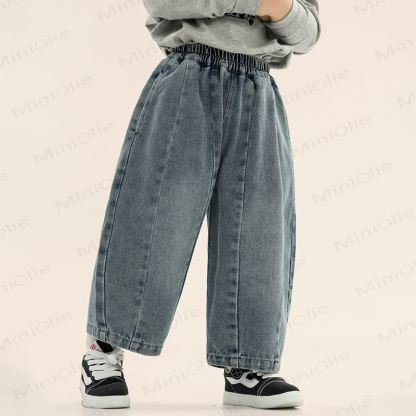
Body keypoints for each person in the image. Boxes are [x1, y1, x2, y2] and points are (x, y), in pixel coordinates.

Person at [79, 0, 321, 410]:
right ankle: (101, 351)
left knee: (259, 229)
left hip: (259, 85)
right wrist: (262, 4)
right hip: (189, 74)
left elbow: (307, 33)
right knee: (156, 216)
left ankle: (247, 367)